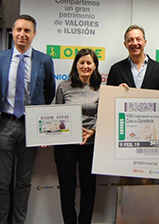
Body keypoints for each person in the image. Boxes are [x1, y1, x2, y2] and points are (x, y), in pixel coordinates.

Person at [0, 14, 56, 223]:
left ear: (34, 34)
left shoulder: (44, 60)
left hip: (30, 127)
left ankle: (19, 221)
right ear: (12, 31)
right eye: (18, 29)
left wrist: (38, 118)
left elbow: (48, 93)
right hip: (5, 125)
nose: (22, 34)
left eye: (27, 31)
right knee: (1, 183)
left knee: (23, 182)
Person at [107, 24, 159, 185]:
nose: (134, 43)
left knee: (148, 180)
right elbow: (108, 104)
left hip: (152, 135)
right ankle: (124, 211)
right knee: (126, 178)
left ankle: (146, 211)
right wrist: (116, 93)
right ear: (125, 44)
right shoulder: (116, 69)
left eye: (138, 39)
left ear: (145, 42)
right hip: (126, 134)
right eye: (130, 40)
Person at [54, 48, 100, 224]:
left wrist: (93, 130)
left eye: (89, 62)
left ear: (95, 66)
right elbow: (56, 114)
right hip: (66, 145)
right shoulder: (63, 86)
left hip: (90, 145)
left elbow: (104, 114)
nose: (85, 66)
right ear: (76, 65)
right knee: (67, 190)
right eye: (82, 62)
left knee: (88, 190)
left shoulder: (100, 88)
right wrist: (45, 136)